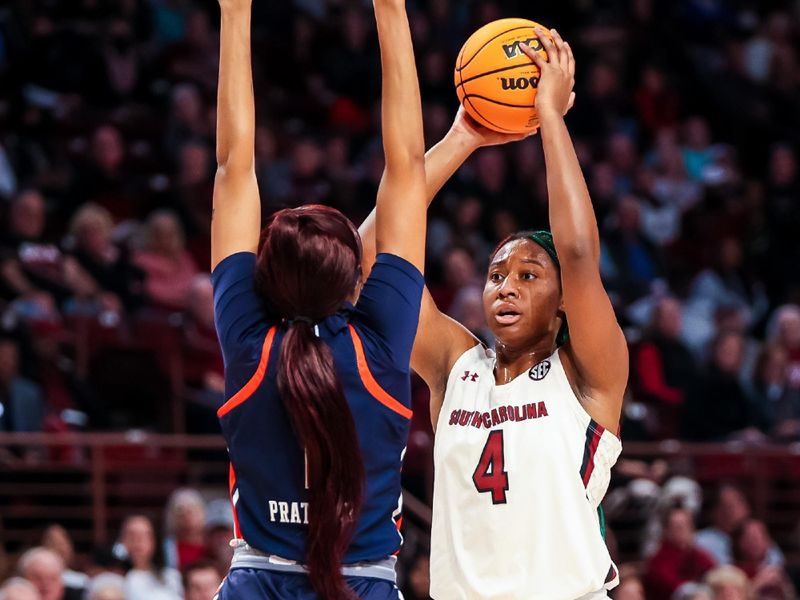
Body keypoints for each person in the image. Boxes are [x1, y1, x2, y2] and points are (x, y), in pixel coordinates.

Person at [361, 29, 622, 599]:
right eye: (497, 275)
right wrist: (462, 137)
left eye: (529, 276)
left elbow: (577, 254)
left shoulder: (586, 374)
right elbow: (364, 266)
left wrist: (550, 117)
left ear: (562, 304)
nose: (505, 287)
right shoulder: (457, 366)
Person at [210, 0, 426, 596]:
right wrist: (391, 10)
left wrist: (234, 14)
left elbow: (233, 168)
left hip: (257, 580)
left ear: (262, 279)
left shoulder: (250, 343)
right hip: (365, 584)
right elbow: (406, 167)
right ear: (357, 279)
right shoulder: (378, 346)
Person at [645, 508, 716, 600]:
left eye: (685, 525)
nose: (682, 530)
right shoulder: (658, 560)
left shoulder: (697, 553)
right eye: (677, 527)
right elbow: (672, 586)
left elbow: (714, 572)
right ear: (666, 531)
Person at [117, 515, 182, 600]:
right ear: (121, 540)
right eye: (132, 535)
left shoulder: (171, 577)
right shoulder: (111, 578)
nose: (138, 541)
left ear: (155, 541)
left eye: (145, 535)